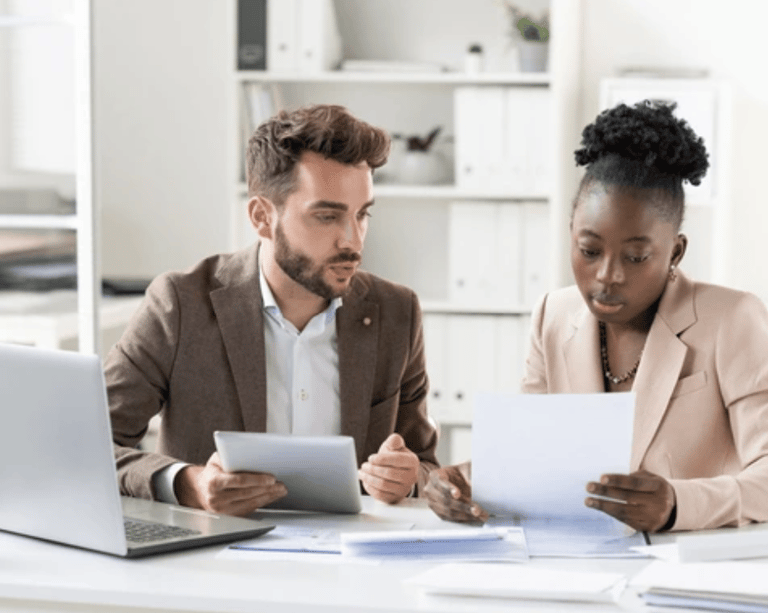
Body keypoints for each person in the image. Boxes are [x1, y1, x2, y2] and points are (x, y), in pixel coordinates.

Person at [425, 100, 768, 532]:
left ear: (675, 252)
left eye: (636, 256)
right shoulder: (553, 315)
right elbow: (534, 457)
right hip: (577, 566)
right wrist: (460, 482)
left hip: (686, 574)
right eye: (589, 251)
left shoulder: (733, 319)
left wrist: (678, 504)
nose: (607, 275)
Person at [107, 104, 438, 516]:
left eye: (362, 214)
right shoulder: (181, 304)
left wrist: (408, 480)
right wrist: (187, 484)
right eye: (326, 216)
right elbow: (89, 442)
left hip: (351, 564)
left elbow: (425, 465)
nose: (352, 240)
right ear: (263, 217)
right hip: (213, 561)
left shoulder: (396, 313)